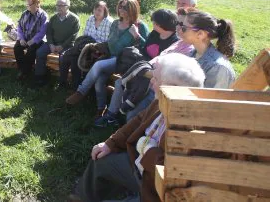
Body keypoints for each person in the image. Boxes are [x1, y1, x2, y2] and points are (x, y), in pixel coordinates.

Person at [68, 53, 206, 202]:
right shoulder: (162, 102)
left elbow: (174, 172)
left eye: (156, 78)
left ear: (172, 88)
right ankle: (82, 197)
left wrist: (147, 148)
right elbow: (138, 121)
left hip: (155, 188)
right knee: (101, 160)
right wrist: (110, 143)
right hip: (138, 165)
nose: (151, 81)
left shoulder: (190, 127)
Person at [96, 9, 184, 127]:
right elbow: (144, 47)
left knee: (127, 91)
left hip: (154, 77)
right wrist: (137, 37)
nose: (153, 24)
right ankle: (111, 116)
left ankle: (120, 117)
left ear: (160, 24)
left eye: (154, 22)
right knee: (119, 83)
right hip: (141, 68)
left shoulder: (174, 42)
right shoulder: (154, 34)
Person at [66, 0, 149, 119]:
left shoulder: (140, 26)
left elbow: (146, 48)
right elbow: (112, 45)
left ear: (132, 9)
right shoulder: (115, 23)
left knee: (99, 65)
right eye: (120, 6)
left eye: (125, 7)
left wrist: (136, 36)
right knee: (99, 80)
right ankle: (101, 109)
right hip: (111, 57)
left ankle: (81, 91)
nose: (121, 9)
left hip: (127, 63)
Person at [60, 1, 113, 89]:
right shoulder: (91, 19)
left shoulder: (109, 22)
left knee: (78, 58)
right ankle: (70, 84)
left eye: (99, 10)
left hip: (100, 50)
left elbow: (108, 41)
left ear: (105, 11)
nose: (97, 12)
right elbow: (85, 35)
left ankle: (81, 88)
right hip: (87, 46)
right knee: (71, 58)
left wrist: (93, 46)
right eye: (95, 9)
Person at [178, 10, 236, 88]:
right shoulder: (192, 54)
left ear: (200, 34)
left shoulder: (218, 67)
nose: (179, 30)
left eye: (184, 28)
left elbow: (211, 98)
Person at [33, 0, 81, 88]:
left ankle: (62, 82)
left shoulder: (75, 19)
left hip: (67, 45)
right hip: (52, 43)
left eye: (61, 5)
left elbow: (74, 36)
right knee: (40, 52)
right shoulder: (54, 18)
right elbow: (49, 32)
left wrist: (62, 46)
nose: (59, 7)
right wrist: (51, 44)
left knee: (63, 58)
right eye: (57, 5)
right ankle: (40, 77)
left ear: (68, 6)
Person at [14, 0, 48, 81]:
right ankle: (23, 70)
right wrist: (21, 38)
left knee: (31, 50)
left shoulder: (43, 15)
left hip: (37, 40)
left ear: (37, 4)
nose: (27, 6)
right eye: (27, 4)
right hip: (24, 38)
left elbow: (42, 32)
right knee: (17, 48)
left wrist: (32, 41)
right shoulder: (25, 13)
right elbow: (19, 27)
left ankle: (24, 72)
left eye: (29, 4)